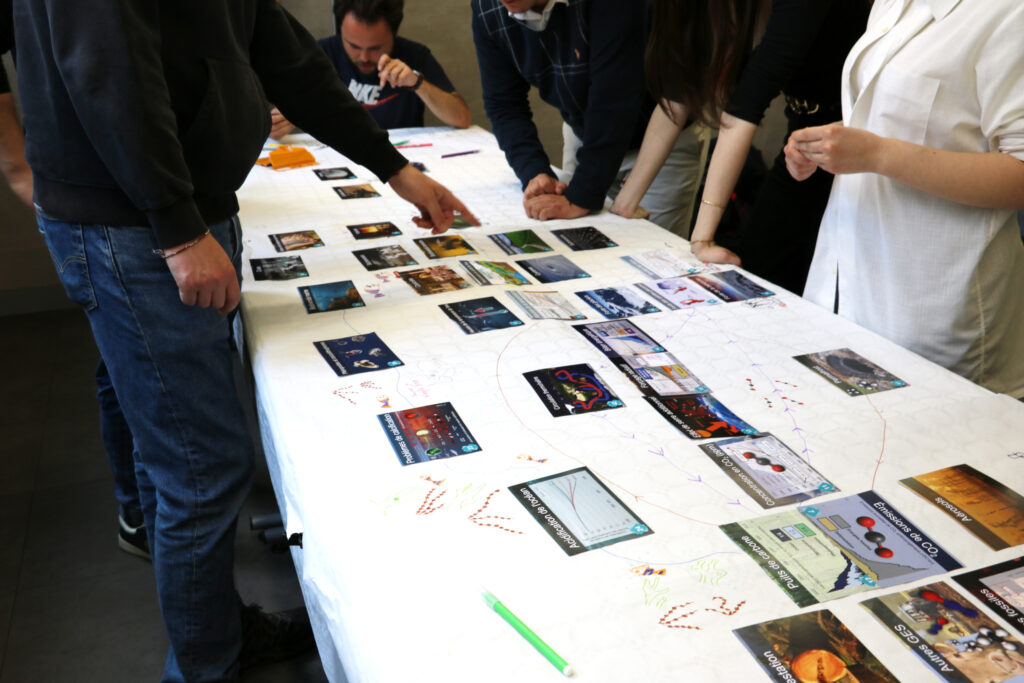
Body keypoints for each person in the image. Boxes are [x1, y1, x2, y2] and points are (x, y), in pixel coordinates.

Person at [13, 1, 476, 681]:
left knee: (181, 443)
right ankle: (205, 667)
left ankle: (213, 632)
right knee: (201, 467)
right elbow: (107, 72)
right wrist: (176, 228)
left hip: (184, 205)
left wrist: (395, 169)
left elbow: (288, 60)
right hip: (136, 223)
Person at [785, 0, 1024, 398]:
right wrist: (833, 141)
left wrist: (878, 154)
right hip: (845, 280)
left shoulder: (1009, 12)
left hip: (935, 304)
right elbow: (914, 119)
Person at [2, 0, 151, 560]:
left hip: (129, 198)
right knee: (126, 369)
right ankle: (139, 512)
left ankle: (143, 510)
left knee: (133, 367)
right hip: (98, 206)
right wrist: (45, 200)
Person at [614, 0, 870, 294]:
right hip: (803, 137)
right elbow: (677, 97)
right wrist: (625, 204)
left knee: (776, 273)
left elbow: (743, 111)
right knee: (761, 267)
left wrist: (702, 240)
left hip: (857, 141)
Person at [471, 0, 709, 234]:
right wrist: (533, 171)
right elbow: (504, 103)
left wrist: (582, 195)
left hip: (660, 138)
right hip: (585, 134)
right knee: (578, 238)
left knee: (652, 248)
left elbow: (615, 99)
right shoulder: (487, 7)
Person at [271, 0, 471, 137]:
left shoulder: (414, 55)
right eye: (353, 46)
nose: (364, 57)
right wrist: (284, 119)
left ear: (395, 33)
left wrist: (417, 83)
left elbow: (461, 119)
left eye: (375, 48)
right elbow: (275, 118)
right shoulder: (320, 53)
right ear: (340, 29)